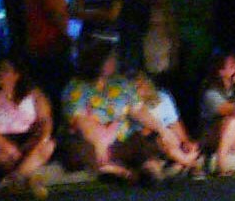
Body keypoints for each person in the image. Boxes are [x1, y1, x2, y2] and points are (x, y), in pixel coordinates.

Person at [60, 41, 161, 182]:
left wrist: (162, 129)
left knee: (140, 140)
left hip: (120, 139)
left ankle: (149, 170)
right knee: (83, 149)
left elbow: (138, 110)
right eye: (109, 59)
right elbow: (81, 121)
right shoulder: (76, 87)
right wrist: (100, 143)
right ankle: (119, 173)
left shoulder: (121, 84)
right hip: (92, 142)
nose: (114, 62)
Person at [0, 58, 55, 198]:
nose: (1, 74)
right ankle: (28, 176)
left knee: (48, 146)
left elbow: (45, 119)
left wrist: (43, 138)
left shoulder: (34, 94)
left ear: (16, 75)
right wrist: (8, 147)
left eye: (6, 70)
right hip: (2, 141)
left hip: (27, 138)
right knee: (0, 157)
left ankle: (16, 177)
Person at [24, 0, 74, 106]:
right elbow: (53, 11)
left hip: (34, 42)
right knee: (56, 91)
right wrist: (66, 35)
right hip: (51, 43)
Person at [132, 72, 202, 177]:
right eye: (136, 87)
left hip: (171, 139)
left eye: (141, 85)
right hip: (147, 141)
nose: (139, 89)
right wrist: (163, 133)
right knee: (161, 140)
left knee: (178, 142)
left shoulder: (162, 97)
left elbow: (174, 123)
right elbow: (140, 131)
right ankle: (190, 163)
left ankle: (181, 162)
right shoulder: (132, 106)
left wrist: (185, 141)